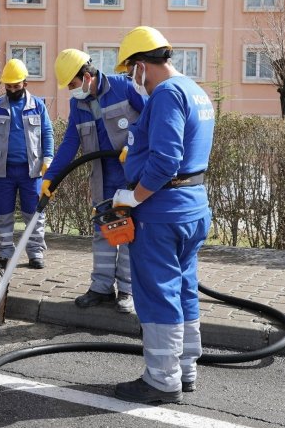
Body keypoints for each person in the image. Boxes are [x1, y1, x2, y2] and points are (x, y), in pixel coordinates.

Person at [111, 26, 216, 404]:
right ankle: (185, 370)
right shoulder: (195, 90)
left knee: (158, 295)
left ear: (141, 66)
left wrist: (134, 196)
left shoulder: (167, 94)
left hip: (161, 213)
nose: (130, 80)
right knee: (184, 288)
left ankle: (161, 380)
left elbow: (167, 159)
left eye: (129, 72)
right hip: (192, 208)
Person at [42, 49, 146, 313]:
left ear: (87, 76)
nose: (72, 90)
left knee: (128, 234)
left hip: (131, 176)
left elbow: (150, 120)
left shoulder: (123, 87)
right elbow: (70, 142)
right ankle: (101, 288)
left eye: (73, 84)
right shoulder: (78, 104)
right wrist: (51, 177)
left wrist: (135, 148)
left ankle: (127, 291)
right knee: (103, 232)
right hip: (103, 177)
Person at [0, 59, 54, 269]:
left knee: (34, 214)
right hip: (4, 170)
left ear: (25, 83)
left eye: (16, 86)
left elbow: (47, 133)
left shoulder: (37, 106)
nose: (12, 90)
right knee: (2, 212)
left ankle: (35, 253)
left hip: (31, 171)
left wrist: (48, 159)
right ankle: (5, 252)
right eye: (9, 86)